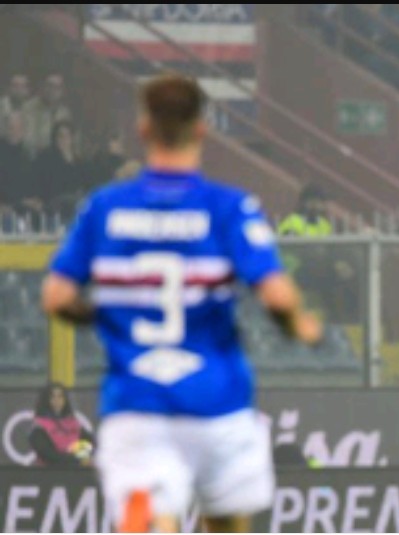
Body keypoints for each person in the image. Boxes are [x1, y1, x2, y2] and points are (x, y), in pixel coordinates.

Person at [40, 73, 322, 533]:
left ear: (143, 129)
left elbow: (56, 296)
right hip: (216, 399)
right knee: (227, 522)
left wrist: (111, 319)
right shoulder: (228, 207)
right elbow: (276, 294)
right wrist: (299, 325)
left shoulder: (105, 208)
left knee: (151, 520)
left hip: (137, 399)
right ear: (202, 130)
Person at [28, 382, 94, 467]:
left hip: (76, 473)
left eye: (60, 396)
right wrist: (77, 459)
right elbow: (49, 455)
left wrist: (79, 454)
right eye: (53, 397)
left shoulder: (73, 422)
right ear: (46, 399)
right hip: (50, 474)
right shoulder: (38, 426)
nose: (57, 400)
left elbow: (91, 443)